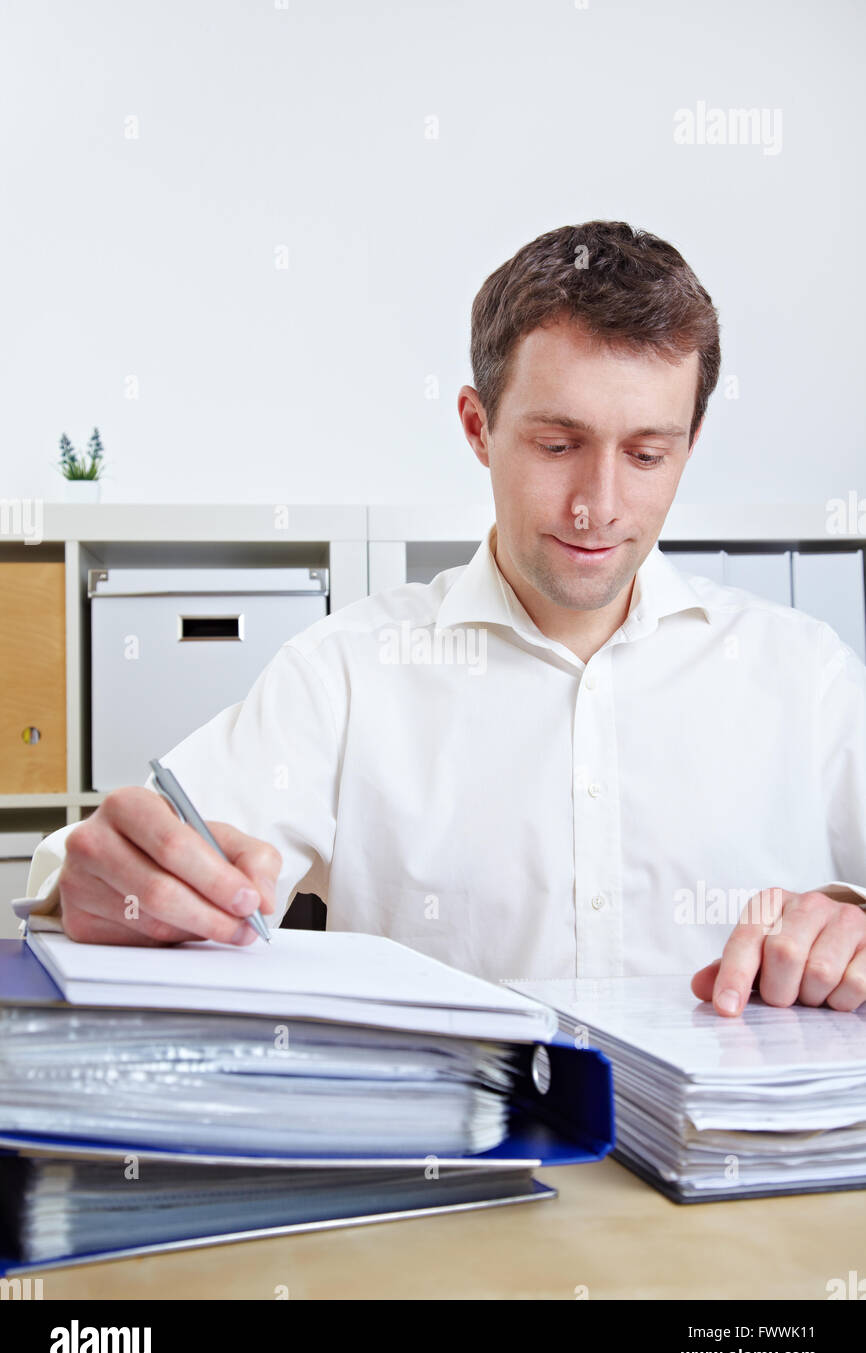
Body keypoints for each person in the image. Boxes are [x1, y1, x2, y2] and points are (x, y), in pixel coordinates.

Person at [15, 221, 866, 1015]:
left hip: (756, 1173)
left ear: (691, 439)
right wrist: (97, 883)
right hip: (463, 1167)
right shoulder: (349, 675)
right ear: (478, 426)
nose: (598, 507)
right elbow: (124, 860)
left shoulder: (808, 675)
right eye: (558, 445)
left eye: (647, 454)